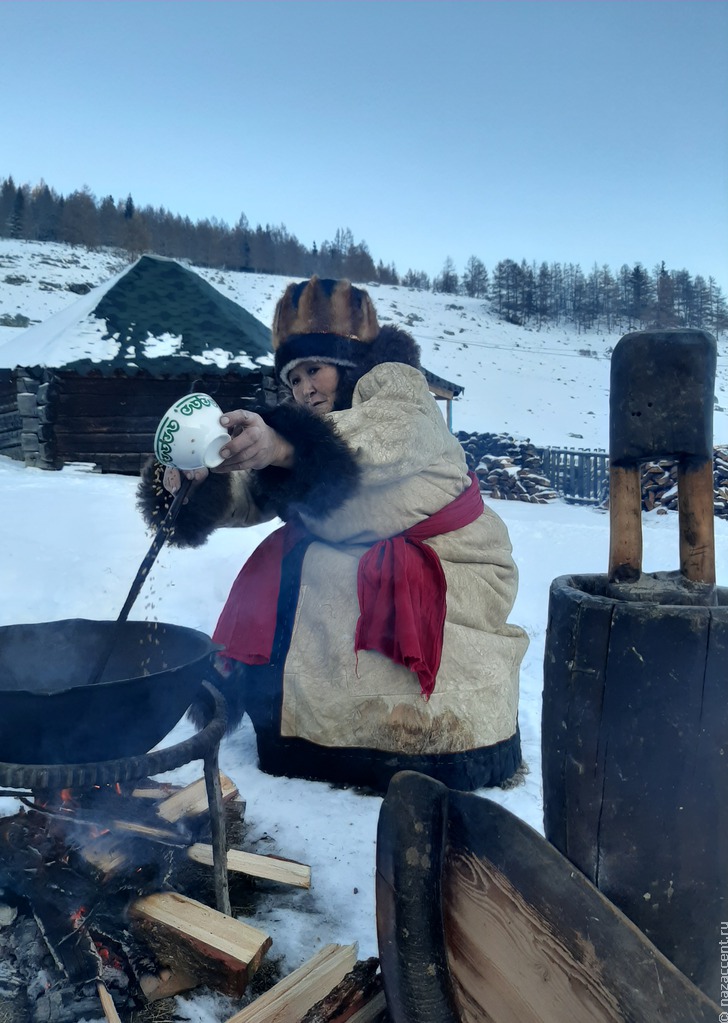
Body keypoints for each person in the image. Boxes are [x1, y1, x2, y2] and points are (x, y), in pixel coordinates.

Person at [138, 276, 528, 793]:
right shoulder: (309, 435)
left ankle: (400, 748)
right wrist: (196, 484)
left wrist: (284, 444)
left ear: (348, 366)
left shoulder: (396, 389)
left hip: (452, 578)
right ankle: (311, 740)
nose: (304, 389)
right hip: (364, 583)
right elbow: (253, 496)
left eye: (314, 371)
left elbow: (393, 434)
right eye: (294, 379)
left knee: (320, 570)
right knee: (305, 565)